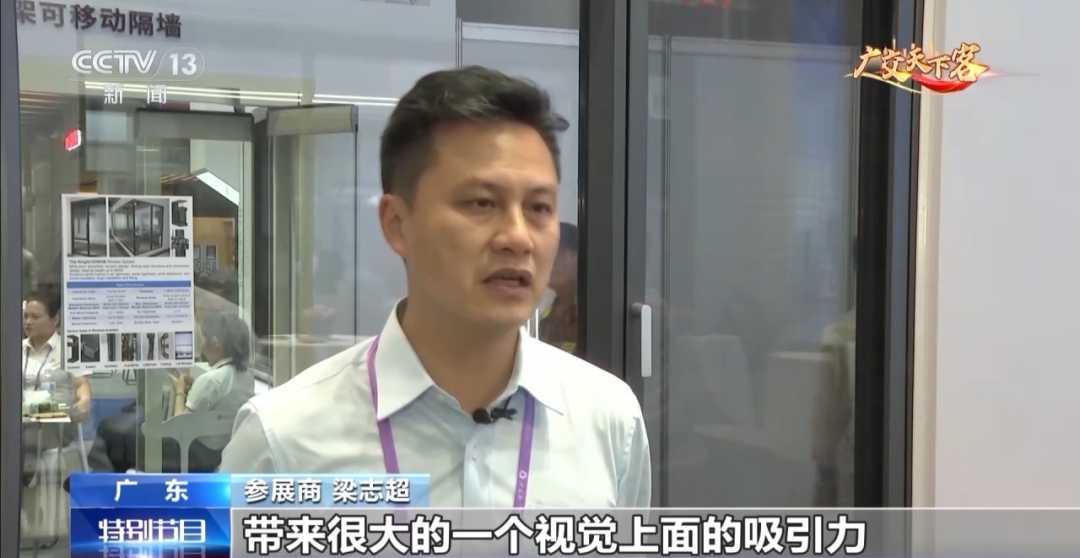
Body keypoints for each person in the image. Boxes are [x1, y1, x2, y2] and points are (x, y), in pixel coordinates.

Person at [220, 66, 651, 508]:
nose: (518, 237)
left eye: (539, 208)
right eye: (482, 203)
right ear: (397, 223)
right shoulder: (283, 441)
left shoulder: (609, 421)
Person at [166, 312, 255, 471]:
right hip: (225, 450)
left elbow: (178, 428)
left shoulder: (210, 380)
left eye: (203, 339)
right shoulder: (247, 376)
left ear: (215, 343)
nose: (201, 346)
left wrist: (179, 390)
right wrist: (195, 389)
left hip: (198, 456)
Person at [22, 289, 92, 426]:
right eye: (26, 316)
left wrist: (83, 402)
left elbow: (82, 386)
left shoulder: (70, 349)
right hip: (18, 429)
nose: (28, 322)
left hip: (57, 429)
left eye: (35, 317)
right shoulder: (15, 349)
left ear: (55, 319)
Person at [539, 222, 580, 355]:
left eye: (555, 254)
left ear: (576, 257)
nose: (547, 263)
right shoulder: (545, 309)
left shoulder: (591, 313)